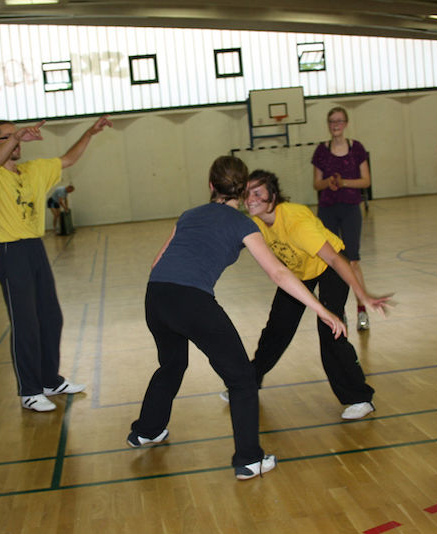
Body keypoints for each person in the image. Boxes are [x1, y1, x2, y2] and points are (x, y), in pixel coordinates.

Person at [128, 156, 344, 480]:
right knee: (242, 378)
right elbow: (279, 273)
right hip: (191, 301)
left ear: (211, 186)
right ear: (243, 192)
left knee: (172, 365)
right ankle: (249, 460)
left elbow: (158, 261)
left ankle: (146, 430)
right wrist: (322, 310)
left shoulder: (188, 215)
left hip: (156, 296)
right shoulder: (244, 224)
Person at [0, 115, 112, 411]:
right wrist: (16, 137)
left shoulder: (34, 170)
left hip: (35, 249)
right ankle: (29, 390)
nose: (17, 140)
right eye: (8, 137)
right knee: (24, 323)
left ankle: (50, 380)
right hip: (11, 253)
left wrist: (90, 132)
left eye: (17, 135)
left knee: (51, 317)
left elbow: (67, 159)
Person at [242, 170, 390, 420]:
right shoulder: (254, 223)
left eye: (258, 192)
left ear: (273, 195)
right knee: (277, 328)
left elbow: (334, 258)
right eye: (246, 194)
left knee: (329, 327)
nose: (251, 199)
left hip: (329, 268)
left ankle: (360, 398)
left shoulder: (296, 222)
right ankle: (249, 382)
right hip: (299, 271)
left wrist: (361, 295)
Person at [311, 107, 372, 331]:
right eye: (331, 121)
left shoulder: (357, 149)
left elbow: (366, 181)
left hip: (350, 209)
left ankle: (362, 310)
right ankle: (339, 312)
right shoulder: (321, 151)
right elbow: (316, 184)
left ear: (345, 123)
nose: (335, 125)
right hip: (327, 210)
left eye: (339, 121)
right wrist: (329, 182)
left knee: (352, 260)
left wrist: (344, 182)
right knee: (331, 262)